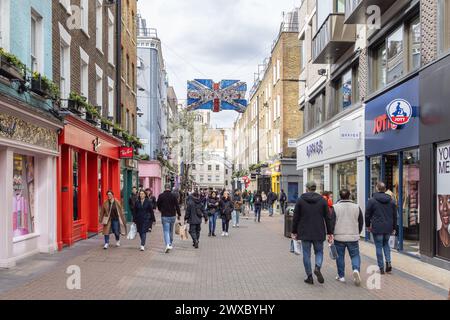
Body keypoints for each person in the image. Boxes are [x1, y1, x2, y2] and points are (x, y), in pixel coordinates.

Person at [291, 182, 334, 285]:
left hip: (305, 231)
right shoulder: (322, 200)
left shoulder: (300, 200)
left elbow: (295, 217)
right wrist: (330, 232)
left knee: (306, 254)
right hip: (319, 231)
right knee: (319, 252)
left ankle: (309, 276)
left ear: (306, 188)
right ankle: (317, 267)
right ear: (315, 189)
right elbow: (328, 218)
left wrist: (294, 231)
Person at [331, 189, 364, 286]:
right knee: (355, 255)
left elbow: (331, 222)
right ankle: (356, 269)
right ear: (349, 196)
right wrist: (358, 232)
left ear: (340, 196)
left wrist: (331, 234)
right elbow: (361, 222)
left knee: (340, 256)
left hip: (339, 237)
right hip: (353, 237)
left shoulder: (335, 207)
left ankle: (341, 276)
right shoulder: (356, 207)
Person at [365, 182, 397, 274]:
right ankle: (388, 262)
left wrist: (367, 225)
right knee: (386, 244)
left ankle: (381, 267)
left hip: (377, 227)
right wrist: (394, 227)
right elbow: (395, 216)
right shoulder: (391, 201)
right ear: (385, 189)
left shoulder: (372, 200)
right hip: (388, 227)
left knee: (378, 246)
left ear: (377, 188)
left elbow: (367, 214)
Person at [157, 183, 182, 253]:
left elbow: (158, 204)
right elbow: (177, 206)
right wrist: (179, 214)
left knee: (166, 231)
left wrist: (160, 209)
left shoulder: (161, 196)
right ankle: (170, 243)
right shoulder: (173, 196)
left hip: (165, 215)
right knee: (171, 230)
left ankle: (168, 244)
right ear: (170, 188)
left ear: (165, 188)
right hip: (172, 216)